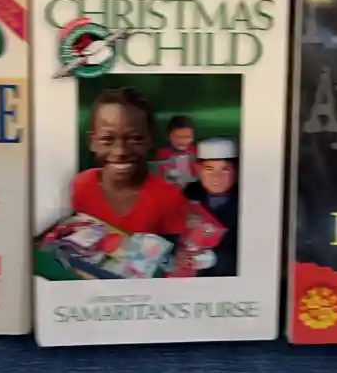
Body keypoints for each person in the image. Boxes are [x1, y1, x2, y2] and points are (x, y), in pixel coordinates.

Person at [69, 88, 189, 239]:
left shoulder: (169, 198)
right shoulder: (81, 186)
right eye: (107, 139)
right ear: (92, 142)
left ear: (151, 140)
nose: (121, 151)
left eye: (135, 138)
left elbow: (177, 249)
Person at [182, 138, 240, 277]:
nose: (216, 177)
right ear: (198, 169)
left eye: (225, 169)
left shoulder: (248, 202)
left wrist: (216, 258)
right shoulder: (185, 198)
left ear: (236, 170)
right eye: (209, 169)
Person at [153, 115, 197, 188]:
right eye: (177, 137)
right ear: (168, 136)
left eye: (187, 137)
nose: (182, 141)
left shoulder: (198, 153)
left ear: (193, 137)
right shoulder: (161, 154)